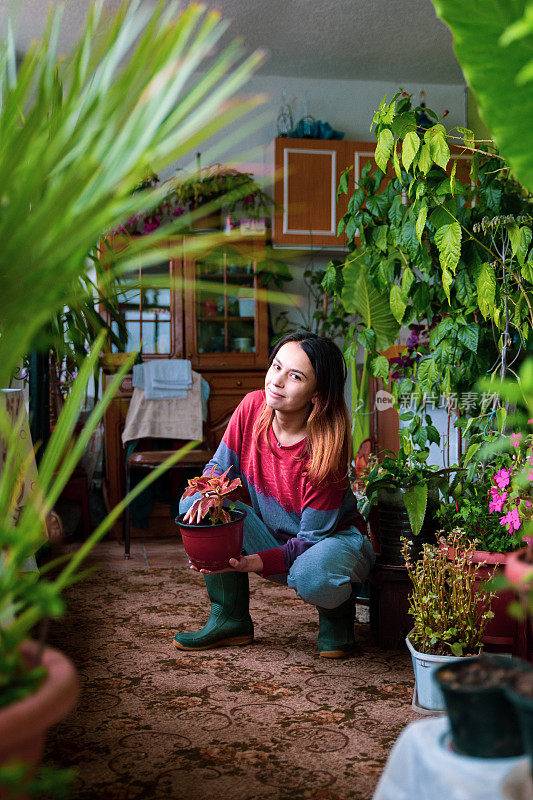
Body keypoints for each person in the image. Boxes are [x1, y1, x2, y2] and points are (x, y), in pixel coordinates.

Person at [174, 331, 375, 657]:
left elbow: (310, 540)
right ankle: (230, 618)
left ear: (316, 393)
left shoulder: (325, 449)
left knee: (311, 573)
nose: (277, 381)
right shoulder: (252, 407)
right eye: (276, 367)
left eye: (295, 376)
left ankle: (337, 615)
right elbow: (217, 468)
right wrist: (210, 501)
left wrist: (251, 562)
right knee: (195, 503)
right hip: (278, 539)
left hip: (332, 545)